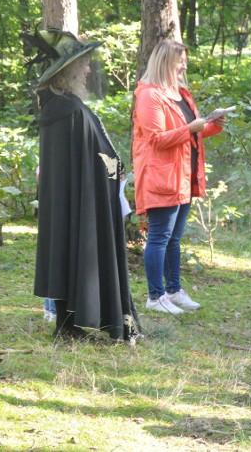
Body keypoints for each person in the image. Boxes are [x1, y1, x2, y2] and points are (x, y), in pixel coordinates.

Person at [29, 28, 141, 341]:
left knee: (66, 248)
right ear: (68, 72)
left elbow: (91, 152)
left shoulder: (59, 108)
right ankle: (69, 325)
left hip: (71, 197)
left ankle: (68, 325)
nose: (89, 70)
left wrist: (113, 168)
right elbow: (96, 155)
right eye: (83, 65)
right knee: (76, 248)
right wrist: (115, 169)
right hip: (83, 197)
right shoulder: (72, 111)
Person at [133, 38, 225, 314]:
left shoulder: (181, 93)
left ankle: (173, 290)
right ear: (165, 62)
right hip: (162, 177)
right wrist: (192, 128)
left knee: (174, 238)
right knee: (159, 237)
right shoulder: (150, 95)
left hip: (184, 175)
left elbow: (191, 132)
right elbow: (157, 139)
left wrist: (211, 126)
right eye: (179, 60)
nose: (184, 64)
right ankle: (155, 296)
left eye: (185, 59)